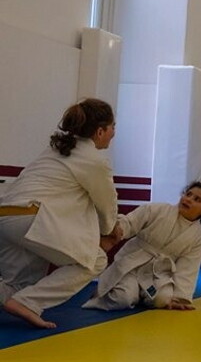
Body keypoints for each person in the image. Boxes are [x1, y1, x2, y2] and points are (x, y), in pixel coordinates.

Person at [0, 98, 120, 329]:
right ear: (100, 130)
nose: (114, 133)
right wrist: (107, 232)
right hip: (31, 219)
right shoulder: (94, 160)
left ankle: (21, 298)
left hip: (6, 217)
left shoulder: (55, 150)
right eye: (113, 127)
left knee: (18, 285)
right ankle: (27, 303)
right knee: (94, 260)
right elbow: (106, 205)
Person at [83, 182, 201, 311]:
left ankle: (141, 294)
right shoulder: (158, 209)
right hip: (131, 265)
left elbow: (188, 266)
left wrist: (180, 297)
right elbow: (130, 222)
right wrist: (117, 231)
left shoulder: (199, 234)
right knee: (123, 298)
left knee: (163, 299)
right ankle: (131, 293)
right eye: (188, 194)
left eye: (197, 199)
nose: (188, 199)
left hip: (157, 273)